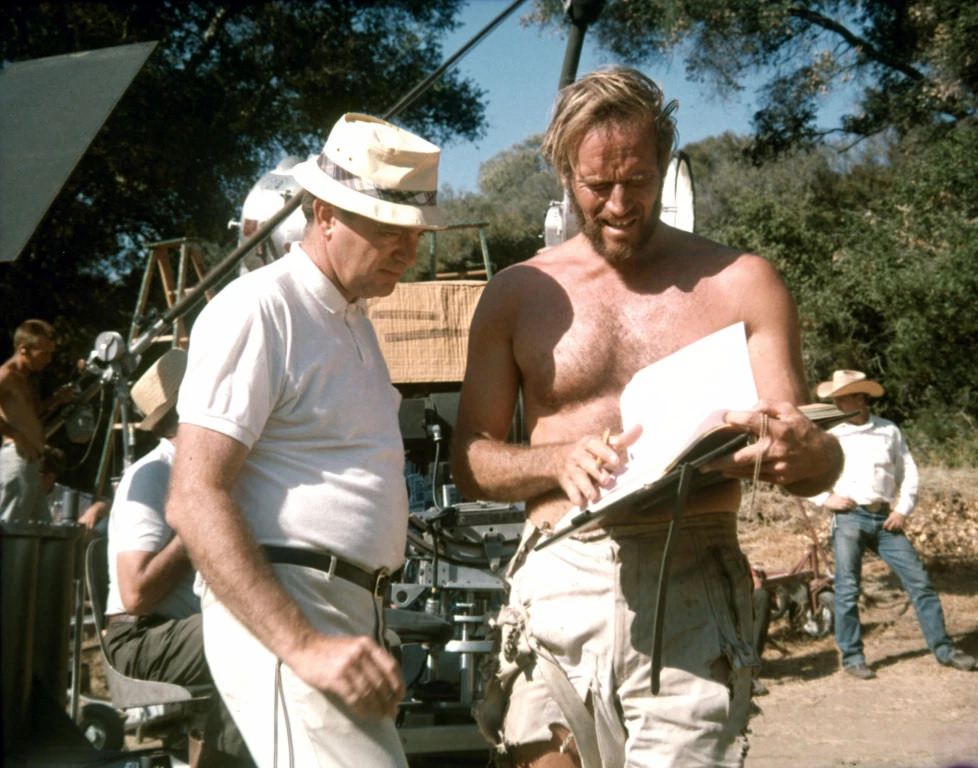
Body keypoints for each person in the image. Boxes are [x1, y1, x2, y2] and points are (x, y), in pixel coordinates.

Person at [450, 67, 843, 768]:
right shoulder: (518, 293)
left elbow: (813, 461)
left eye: (640, 180)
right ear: (563, 171)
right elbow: (471, 462)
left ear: (666, 164)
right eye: (598, 186)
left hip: (689, 579)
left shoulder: (742, 282)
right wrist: (553, 460)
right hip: (558, 571)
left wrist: (800, 454)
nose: (621, 204)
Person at [166, 113, 445, 767]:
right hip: (288, 606)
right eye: (385, 229)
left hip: (344, 609)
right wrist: (302, 643)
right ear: (323, 214)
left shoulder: (353, 326)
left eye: (414, 234)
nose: (407, 250)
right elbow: (193, 496)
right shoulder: (260, 309)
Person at [103, 348, 252, 766]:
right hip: (142, 638)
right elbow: (135, 593)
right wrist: (201, 523)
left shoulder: (218, 471)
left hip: (186, 628)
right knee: (255, 638)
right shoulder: (154, 474)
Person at [811, 369, 976, 679]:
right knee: (847, 590)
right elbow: (802, 473)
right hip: (849, 519)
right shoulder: (829, 435)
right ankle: (852, 657)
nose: (836, 404)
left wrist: (902, 509)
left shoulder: (888, 431)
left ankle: (944, 649)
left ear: (860, 398)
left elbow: (908, 471)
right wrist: (824, 499)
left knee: (920, 584)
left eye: (841, 398)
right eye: (834, 399)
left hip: (885, 518)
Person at [0, 319, 74, 522]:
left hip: (33, 463)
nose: (49, 359)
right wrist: (18, 437)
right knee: (11, 530)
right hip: (17, 458)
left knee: (40, 530)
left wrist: (57, 399)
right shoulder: (6, 375)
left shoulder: (27, 378)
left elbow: (33, 415)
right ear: (24, 349)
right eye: (45, 353)